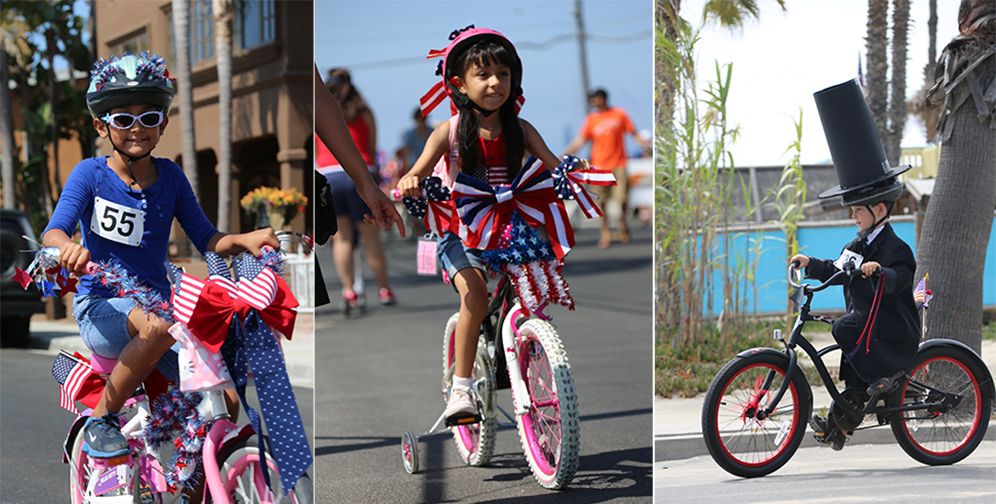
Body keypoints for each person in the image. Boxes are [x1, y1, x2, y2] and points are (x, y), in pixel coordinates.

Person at [43, 52, 278, 462]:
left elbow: (206, 236)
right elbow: (54, 230)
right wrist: (67, 247)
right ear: (102, 126)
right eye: (123, 119)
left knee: (222, 396)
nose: (137, 128)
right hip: (102, 308)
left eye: (149, 117)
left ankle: (204, 480)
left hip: (160, 313)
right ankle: (101, 420)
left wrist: (244, 238)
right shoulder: (89, 175)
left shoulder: (170, 176)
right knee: (155, 325)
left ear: (163, 124)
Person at [397, 27, 565, 422]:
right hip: (459, 231)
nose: (495, 83)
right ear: (459, 83)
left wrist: (574, 175)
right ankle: (461, 389)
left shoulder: (521, 130)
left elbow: (555, 166)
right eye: (483, 75)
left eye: (503, 74)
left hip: (509, 230)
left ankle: (526, 347)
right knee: (473, 294)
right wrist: (411, 181)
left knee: (534, 289)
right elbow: (416, 171)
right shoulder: (449, 132)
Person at [790, 79, 920, 450]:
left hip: (891, 331)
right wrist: (810, 263)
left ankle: (879, 384)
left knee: (845, 327)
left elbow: (901, 278)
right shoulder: (857, 244)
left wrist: (881, 272)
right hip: (867, 332)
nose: (853, 215)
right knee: (850, 356)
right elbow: (838, 267)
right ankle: (837, 427)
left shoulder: (895, 247)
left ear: (879, 209)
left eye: (858, 209)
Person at [312, 65, 404, 307]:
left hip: (329, 176)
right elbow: (372, 149)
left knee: (341, 239)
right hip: (357, 174)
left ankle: (349, 291)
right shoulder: (363, 111)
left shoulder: (318, 109)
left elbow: (316, 150)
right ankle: (384, 288)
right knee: (370, 236)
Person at [564, 88, 650, 248]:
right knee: (601, 201)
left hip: (619, 164)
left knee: (622, 198)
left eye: (596, 98)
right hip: (599, 167)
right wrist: (564, 154)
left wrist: (646, 144)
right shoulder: (591, 120)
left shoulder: (619, 114)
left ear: (603, 98)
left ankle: (622, 222)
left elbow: (634, 133)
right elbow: (580, 140)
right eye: (592, 99)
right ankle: (605, 232)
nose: (594, 102)